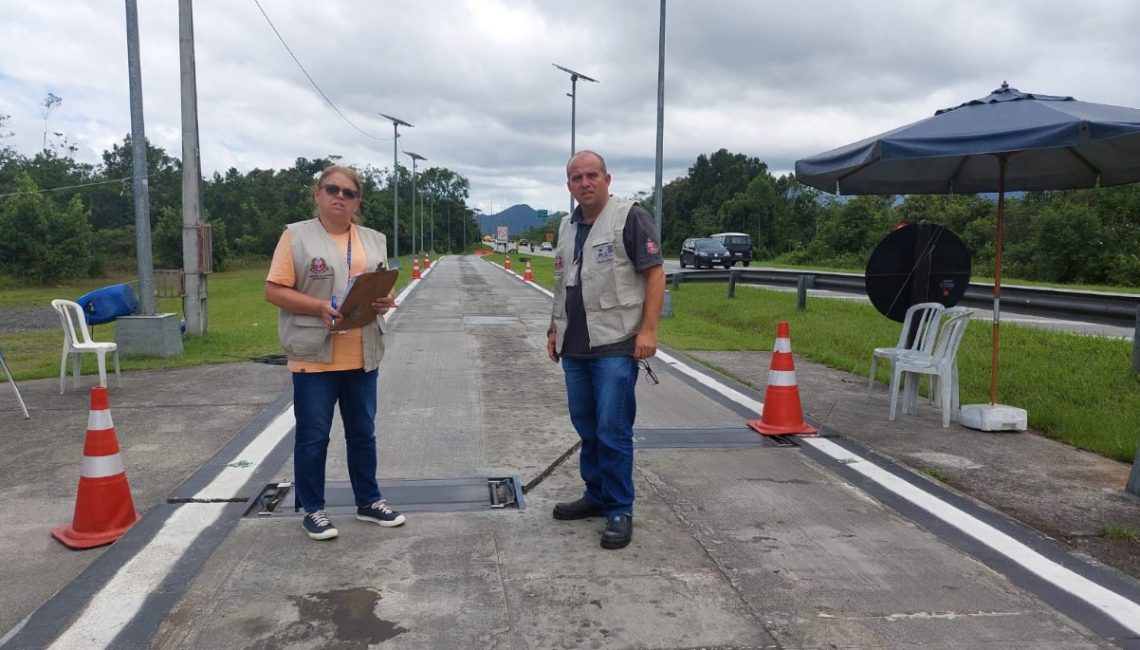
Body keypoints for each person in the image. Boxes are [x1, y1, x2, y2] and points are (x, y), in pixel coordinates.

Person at [265, 164, 406, 541]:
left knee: (363, 433)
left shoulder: (373, 239)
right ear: (318, 193)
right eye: (333, 189)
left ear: (358, 200)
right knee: (313, 436)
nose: (340, 197)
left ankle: (369, 501)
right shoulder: (295, 237)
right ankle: (314, 509)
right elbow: (274, 290)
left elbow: (381, 284)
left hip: (362, 352)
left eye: (349, 192)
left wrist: (384, 299)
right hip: (315, 352)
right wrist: (317, 307)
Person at [546, 150, 665, 549]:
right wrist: (552, 329)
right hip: (575, 347)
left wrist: (648, 331)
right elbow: (562, 283)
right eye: (577, 177)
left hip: (615, 343)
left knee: (613, 429)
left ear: (607, 179)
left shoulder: (630, 217)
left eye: (592, 175)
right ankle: (595, 495)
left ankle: (619, 509)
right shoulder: (566, 225)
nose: (585, 182)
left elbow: (655, 274)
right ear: (569, 186)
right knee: (587, 427)